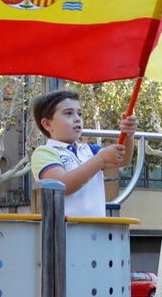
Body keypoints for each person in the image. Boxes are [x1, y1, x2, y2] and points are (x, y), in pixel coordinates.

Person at [31, 89, 137, 217]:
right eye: (68, 113)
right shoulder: (44, 153)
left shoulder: (89, 150)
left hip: (96, 228)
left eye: (79, 114)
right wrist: (101, 159)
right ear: (47, 124)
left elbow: (121, 159)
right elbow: (62, 186)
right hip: (65, 231)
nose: (77, 119)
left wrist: (128, 135)